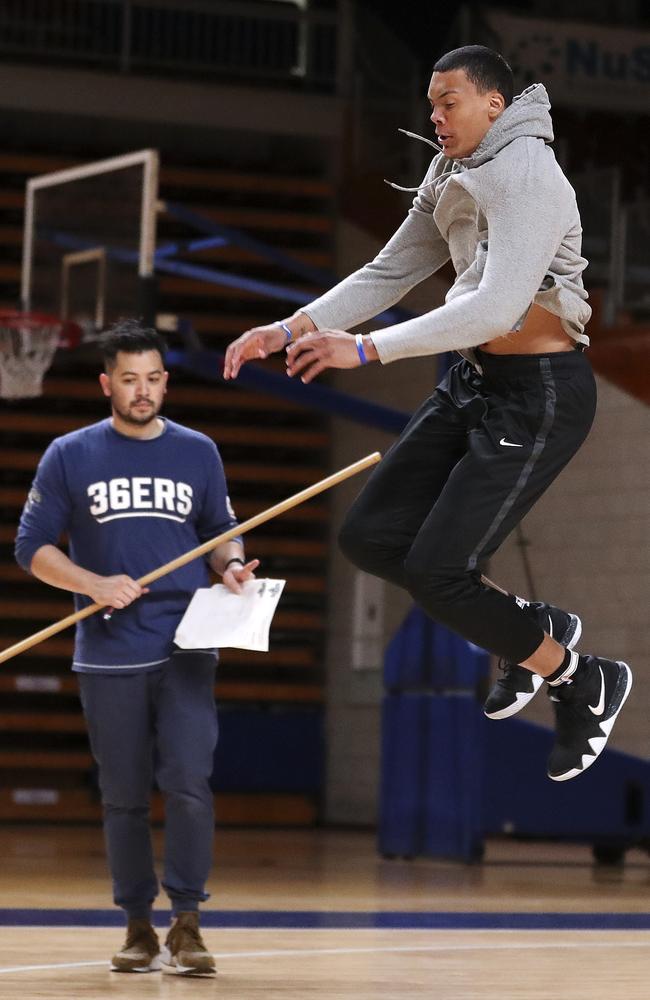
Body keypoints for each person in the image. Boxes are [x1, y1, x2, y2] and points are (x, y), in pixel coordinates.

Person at [223, 45, 632, 783]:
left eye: (448, 102)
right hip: (478, 382)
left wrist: (369, 351)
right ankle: (539, 631)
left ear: (494, 105)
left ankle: (581, 678)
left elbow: (496, 307)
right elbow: (393, 267)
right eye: (431, 103)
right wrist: (292, 327)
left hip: (541, 393)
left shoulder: (528, 175)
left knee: (440, 571)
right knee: (372, 538)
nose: (434, 116)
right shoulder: (452, 169)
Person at [15, 320, 258, 977]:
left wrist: (231, 565)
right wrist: (91, 582)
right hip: (108, 649)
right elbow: (30, 547)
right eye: (129, 379)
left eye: (153, 378)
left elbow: (221, 530)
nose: (143, 390)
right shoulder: (70, 454)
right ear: (106, 384)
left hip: (187, 642)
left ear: (165, 381)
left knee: (187, 781)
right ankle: (136, 925)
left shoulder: (198, 451)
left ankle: (187, 922)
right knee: (122, 794)